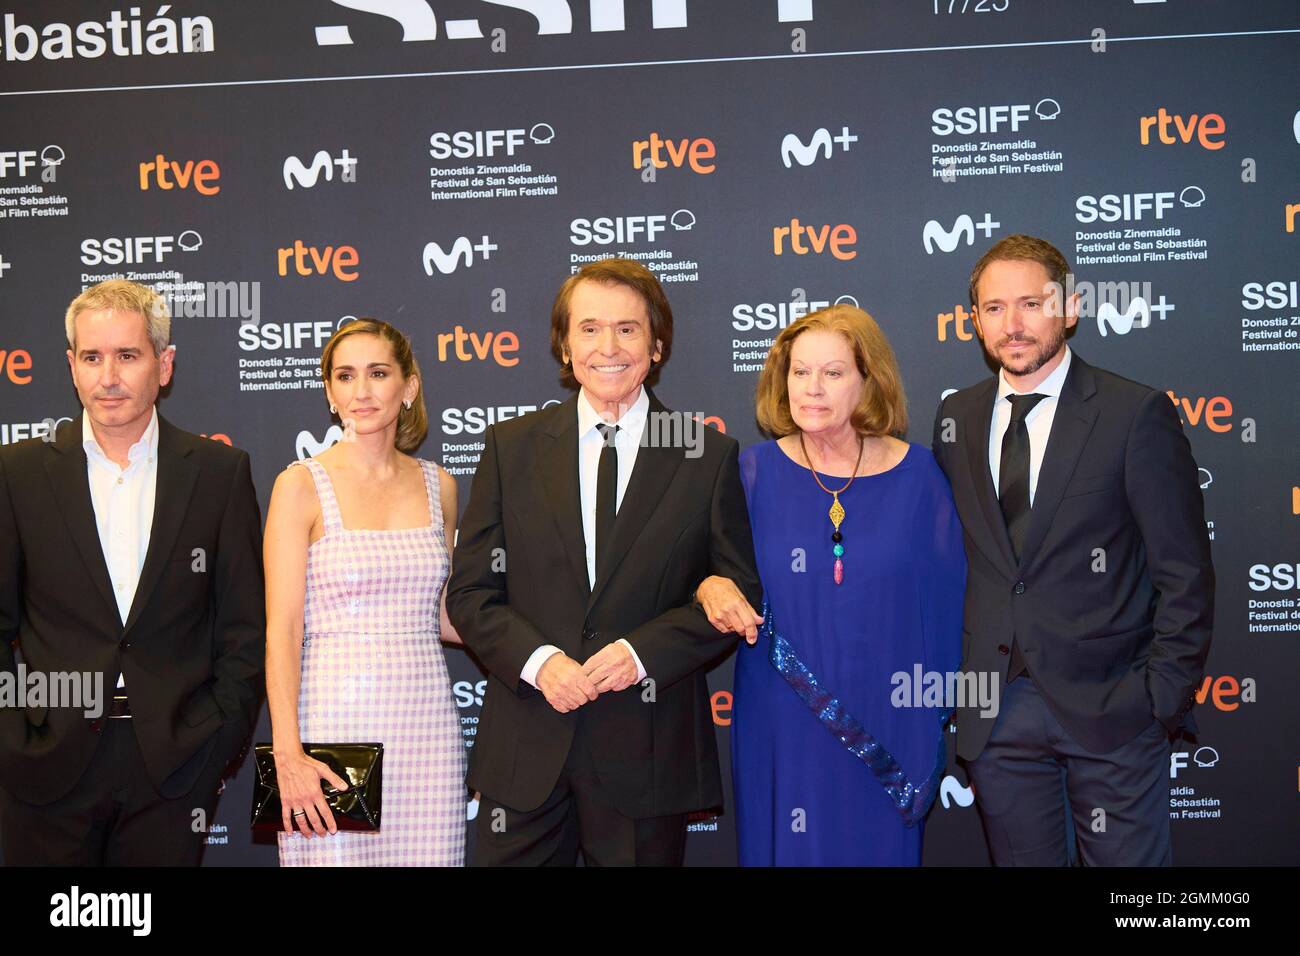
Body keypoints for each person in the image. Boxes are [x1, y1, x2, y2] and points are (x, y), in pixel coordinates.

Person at [447, 258, 760, 866]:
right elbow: (472, 595)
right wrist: (541, 664)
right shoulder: (510, 449)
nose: (608, 347)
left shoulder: (707, 455)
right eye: (589, 329)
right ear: (565, 345)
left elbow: (736, 593)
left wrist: (640, 654)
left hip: (647, 754)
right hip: (526, 749)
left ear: (657, 344)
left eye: (628, 328)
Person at [930, 234, 1214, 866]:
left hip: (1113, 710)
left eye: (1031, 303)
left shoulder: (1133, 413)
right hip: (997, 711)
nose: (1013, 324)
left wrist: (1158, 699)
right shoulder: (958, 417)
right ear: (975, 321)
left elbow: (1184, 571)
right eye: (994, 308)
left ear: (1071, 307)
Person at [0, 279, 264, 865]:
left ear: (163, 365)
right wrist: (13, 740)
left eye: (127, 355)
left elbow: (243, 629)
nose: (108, 376)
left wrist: (213, 744)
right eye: (91, 358)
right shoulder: (17, 474)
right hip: (45, 764)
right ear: (71, 367)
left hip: (172, 766)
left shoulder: (220, 474)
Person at [696, 304, 964, 866]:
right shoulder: (750, 474)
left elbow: (947, 606)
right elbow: (702, 572)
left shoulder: (921, 476)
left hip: (891, 717)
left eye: (833, 372)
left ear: (870, 381)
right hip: (781, 718)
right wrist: (708, 587)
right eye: (799, 372)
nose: (811, 388)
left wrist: (926, 715)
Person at [264, 319, 466, 866]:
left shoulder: (439, 485)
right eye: (345, 376)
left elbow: (446, 615)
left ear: (409, 386)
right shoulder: (300, 485)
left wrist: (539, 621)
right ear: (329, 392)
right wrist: (288, 752)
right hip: (332, 722)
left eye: (378, 373)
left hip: (425, 726)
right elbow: (282, 629)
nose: (362, 391)